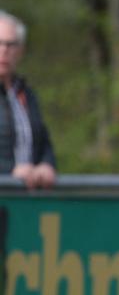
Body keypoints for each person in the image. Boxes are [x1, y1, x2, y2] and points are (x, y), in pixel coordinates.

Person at [0, 10, 56, 189]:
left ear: (21, 51)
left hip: (23, 203)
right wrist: (9, 172)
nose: (4, 51)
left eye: (10, 44)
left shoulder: (26, 94)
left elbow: (43, 141)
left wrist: (47, 165)